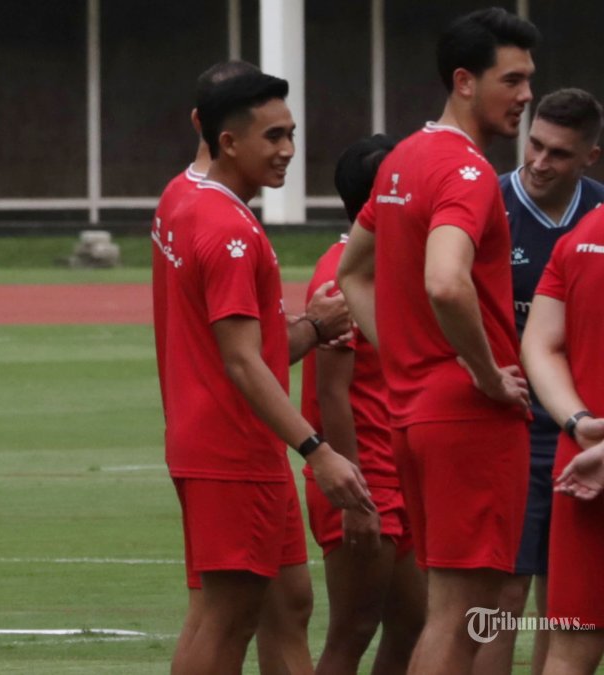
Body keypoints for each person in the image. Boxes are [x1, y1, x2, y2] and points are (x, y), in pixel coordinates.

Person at [337, 8, 539, 673]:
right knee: (461, 619)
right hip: (468, 418)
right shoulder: (468, 172)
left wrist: (400, 353)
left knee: (449, 612)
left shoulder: (402, 160)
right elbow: (446, 282)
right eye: (511, 80)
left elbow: (352, 271)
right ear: (463, 80)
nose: (526, 95)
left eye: (529, 80)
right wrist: (482, 371)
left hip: (416, 412)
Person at [154, 64, 372, 675]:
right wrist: (318, 451)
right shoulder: (228, 229)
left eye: (291, 133)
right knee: (225, 618)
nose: (288, 151)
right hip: (232, 449)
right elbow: (242, 362)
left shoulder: (181, 194)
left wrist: (313, 327)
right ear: (228, 141)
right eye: (273, 137)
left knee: (289, 604)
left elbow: (242, 343)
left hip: (232, 442)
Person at [474, 88, 604, 675]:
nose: (540, 162)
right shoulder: (487, 205)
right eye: (535, 144)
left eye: (559, 153)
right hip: (514, 422)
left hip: (583, 427)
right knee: (504, 596)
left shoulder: (597, 215)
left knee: (569, 605)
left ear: (590, 158)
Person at [302, 135, 426, 675]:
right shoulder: (340, 279)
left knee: (414, 624)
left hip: (397, 476)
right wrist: (356, 499)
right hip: (362, 478)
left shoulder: (386, 266)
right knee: (352, 631)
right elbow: (331, 393)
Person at [521, 205, 604, 675]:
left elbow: (540, 342)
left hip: (583, 462)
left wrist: (577, 422)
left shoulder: (582, 234)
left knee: (570, 650)